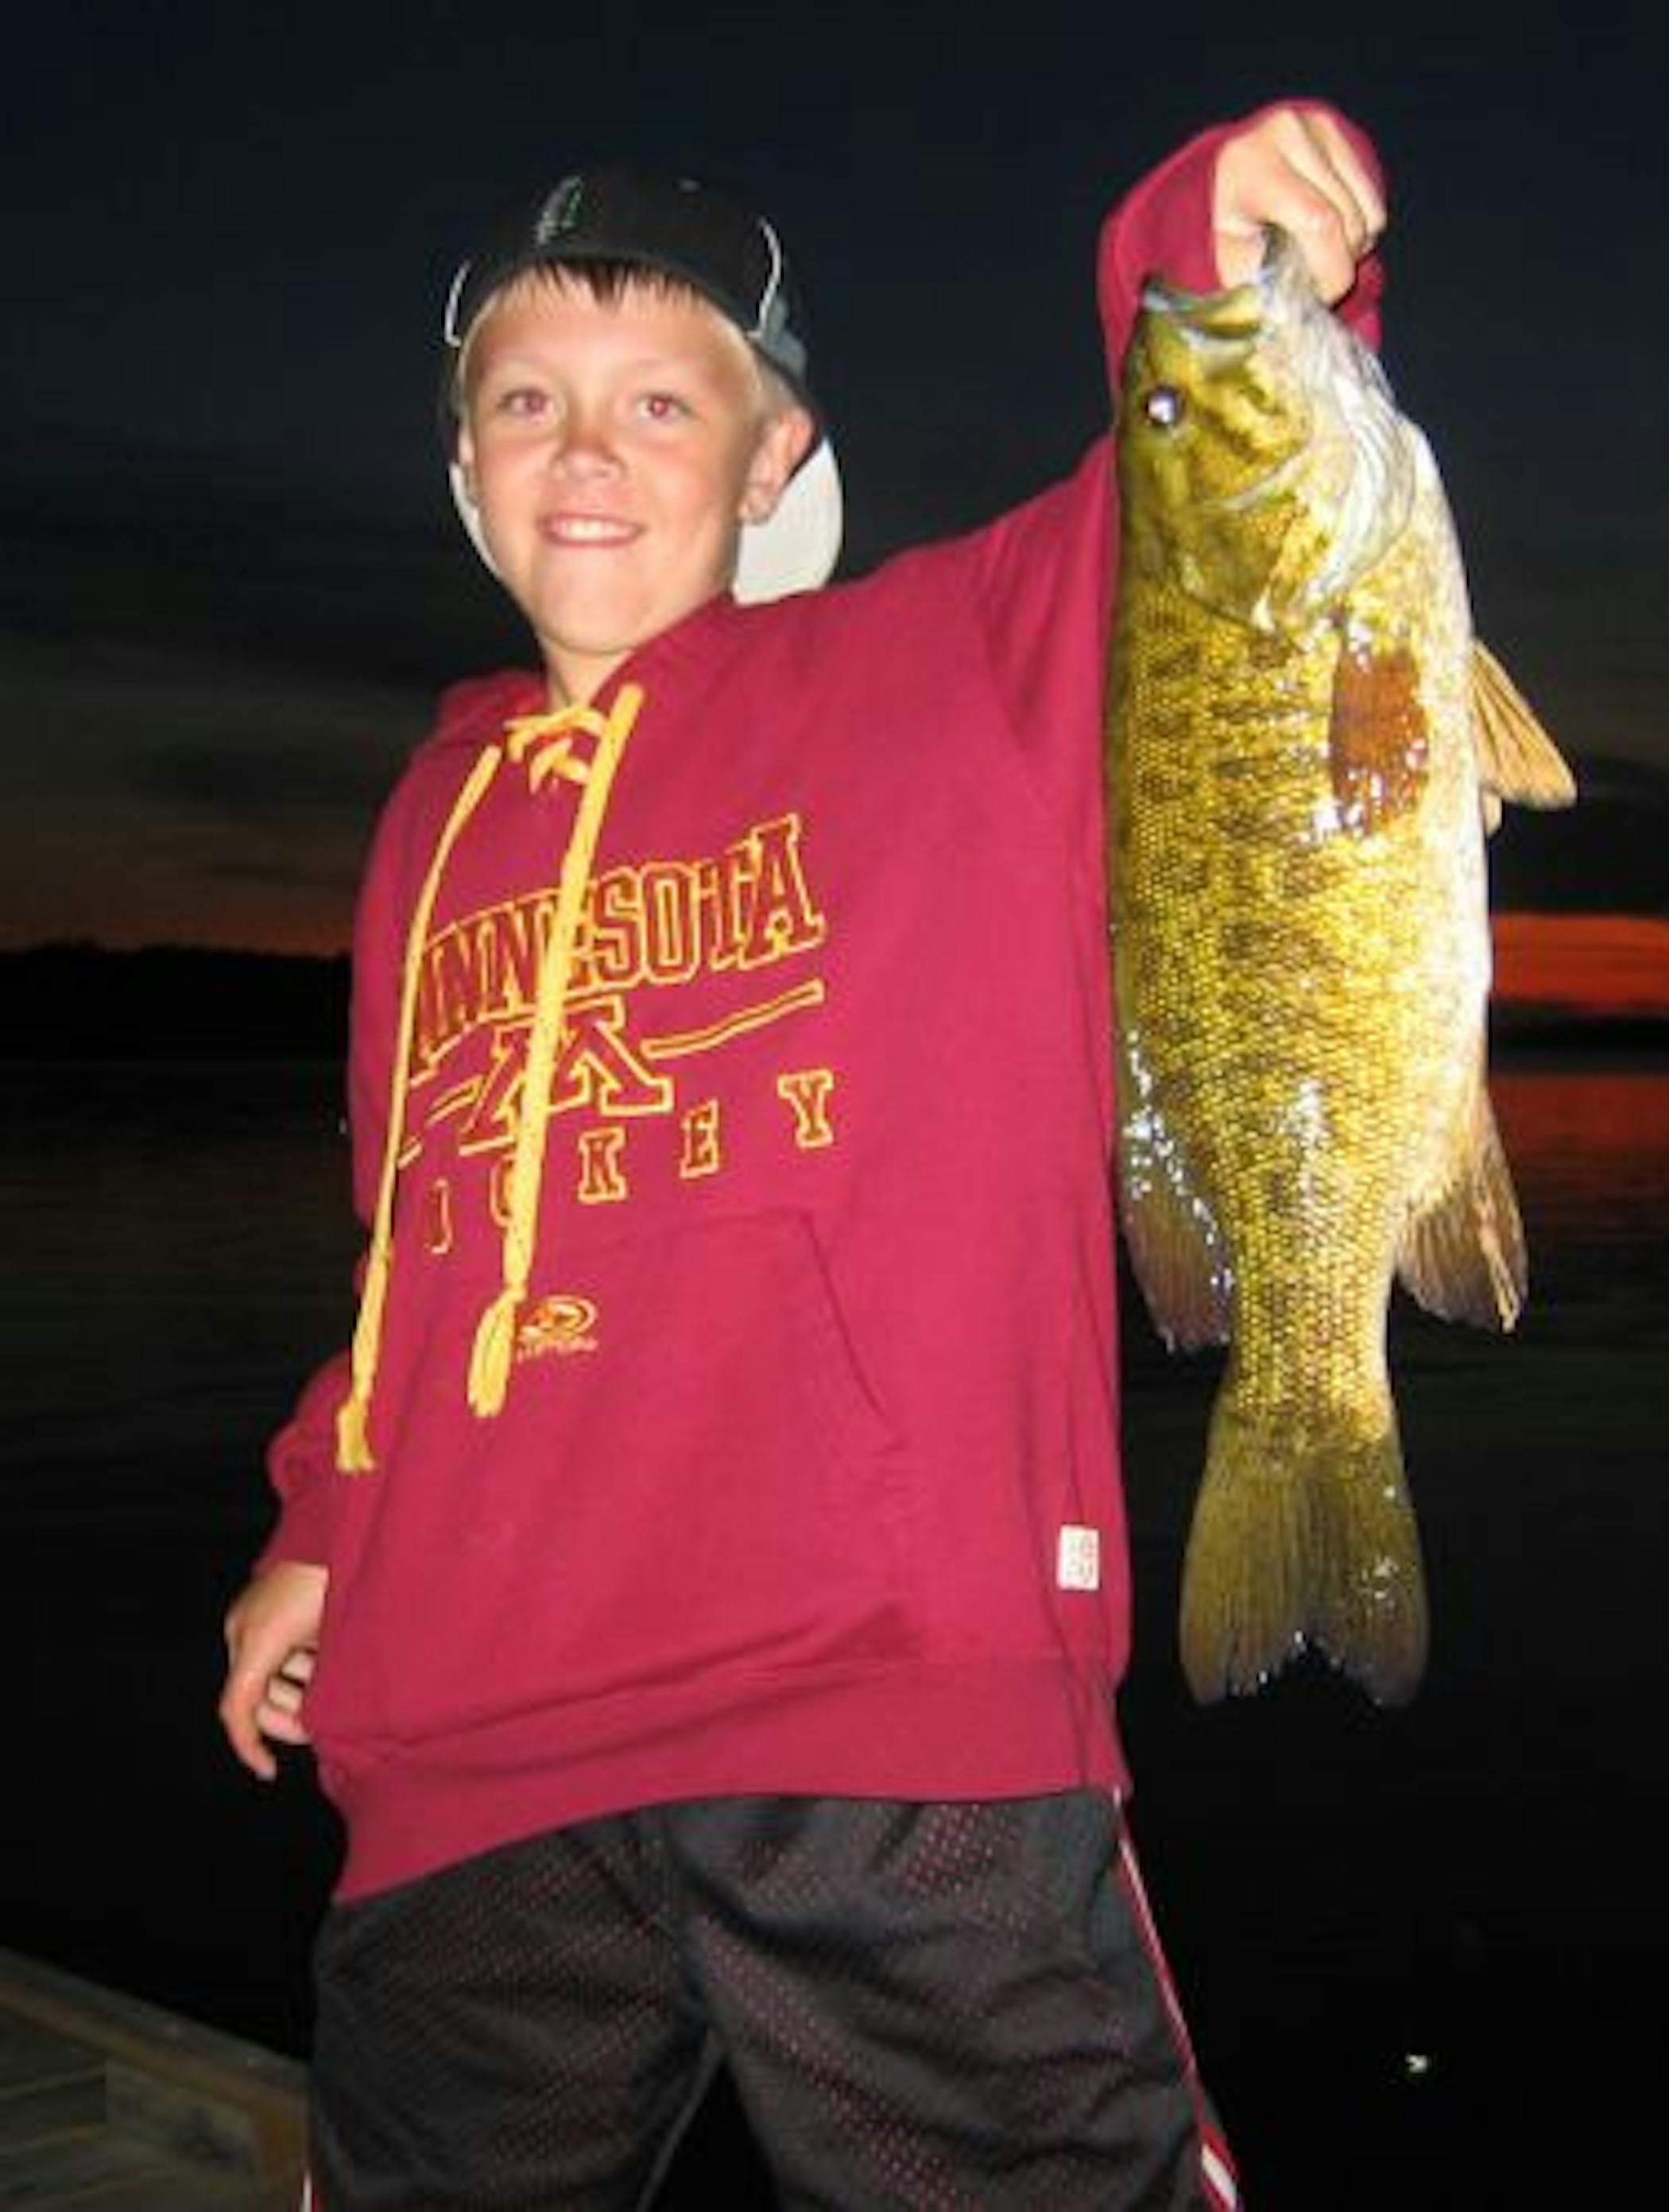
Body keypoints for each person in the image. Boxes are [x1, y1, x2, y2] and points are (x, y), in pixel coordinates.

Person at [220, 101, 1384, 2210]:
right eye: (528, 403)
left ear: (771, 468)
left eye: (665, 404)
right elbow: (428, 1236)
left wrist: (1218, 265)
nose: (586, 453)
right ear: (464, 461)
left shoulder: (959, 669)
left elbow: (1227, 511)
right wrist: (325, 1516)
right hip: (468, 1746)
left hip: (887, 1717)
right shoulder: (432, 819)